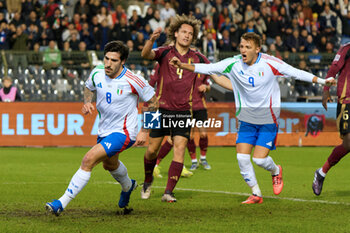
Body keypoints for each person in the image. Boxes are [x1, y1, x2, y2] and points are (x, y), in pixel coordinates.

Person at [170, 32, 335, 204]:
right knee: (242, 158)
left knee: (259, 159)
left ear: (257, 49)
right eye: (241, 46)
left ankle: (276, 171)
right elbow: (208, 68)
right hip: (246, 118)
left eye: (248, 47)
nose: (243, 50)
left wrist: (322, 81)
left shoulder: (270, 63)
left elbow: (295, 73)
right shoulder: (234, 63)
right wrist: (181, 65)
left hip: (268, 118)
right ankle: (256, 193)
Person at [45, 41, 157, 216]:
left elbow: (153, 101)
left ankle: (61, 202)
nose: (108, 64)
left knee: (88, 159)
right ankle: (128, 186)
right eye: (106, 59)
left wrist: (145, 130)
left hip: (125, 132)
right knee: (109, 164)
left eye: (113, 60)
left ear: (123, 61)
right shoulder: (97, 72)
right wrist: (87, 102)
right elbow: (88, 87)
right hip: (104, 130)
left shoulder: (133, 80)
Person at [139, 14, 210, 203]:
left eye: (190, 33)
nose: (187, 35)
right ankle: (147, 180)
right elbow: (145, 55)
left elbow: (214, 71)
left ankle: (168, 192)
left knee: (180, 148)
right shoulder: (164, 52)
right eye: (184, 32)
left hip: (183, 111)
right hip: (159, 110)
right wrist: (151, 41)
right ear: (176, 34)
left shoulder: (198, 58)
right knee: (152, 150)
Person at [312, 42, 350, 196]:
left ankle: (321, 173)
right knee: (348, 143)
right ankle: (321, 172)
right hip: (347, 101)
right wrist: (326, 90)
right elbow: (334, 69)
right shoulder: (346, 48)